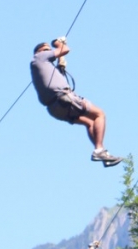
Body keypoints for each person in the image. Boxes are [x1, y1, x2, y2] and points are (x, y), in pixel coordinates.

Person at [30, 37, 122, 167]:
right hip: (64, 98)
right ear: (38, 52)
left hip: (55, 109)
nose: (49, 51)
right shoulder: (39, 58)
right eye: (46, 49)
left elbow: (57, 77)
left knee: (90, 123)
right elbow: (64, 49)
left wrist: (60, 65)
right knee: (100, 114)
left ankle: (102, 155)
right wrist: (57, 42)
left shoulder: (43, 67)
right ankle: (100, 150)